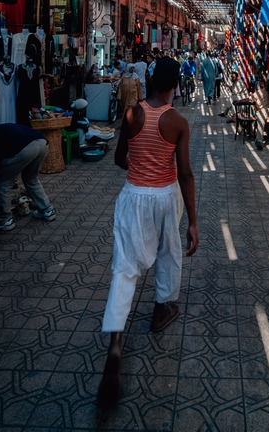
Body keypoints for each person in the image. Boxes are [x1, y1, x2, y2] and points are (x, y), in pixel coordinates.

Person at [99, 57, 198, 401]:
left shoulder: (132, 114)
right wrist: (195, 222)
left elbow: (118, 159)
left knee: (124, 268)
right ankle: (161, 310)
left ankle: (115, 344)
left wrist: (139, 168)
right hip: (166, 197)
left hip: (133, 197)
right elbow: (185, 173)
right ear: (174, 86)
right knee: (169, 253)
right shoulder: (178, 122)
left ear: (152, 81)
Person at [0, 123, 55, 231]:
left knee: (2, 182)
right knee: (31, 178)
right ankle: (47, 210)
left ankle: (4, 220)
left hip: (26, 147)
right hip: (42, 142)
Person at [253, 78, 269, 149]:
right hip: (262, 110)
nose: (267, 85)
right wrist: (255, 107)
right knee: (261, 119)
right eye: (266, 84)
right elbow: (250, 98)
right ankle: (259, 140)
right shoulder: (260, 92)